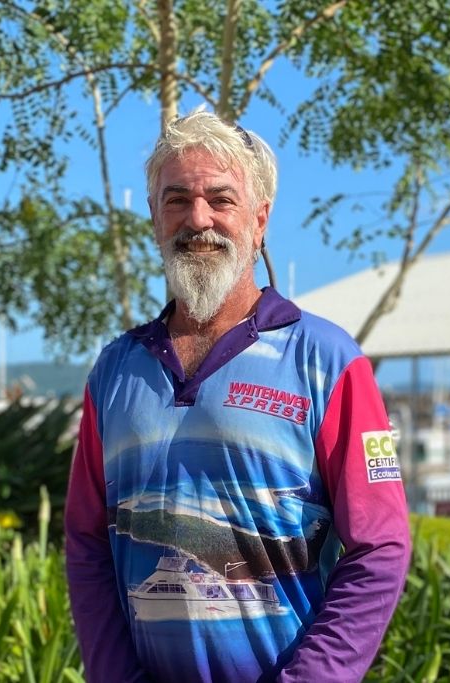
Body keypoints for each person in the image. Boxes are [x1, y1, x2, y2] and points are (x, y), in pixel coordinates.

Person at [65, 110, 411, 683]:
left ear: (260, 221)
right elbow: (86, 541)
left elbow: (381, 548)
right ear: (154, 219)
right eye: (176, 200)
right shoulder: (114, 371)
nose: (197, 219)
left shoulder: (326, 360)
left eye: (220, 199)